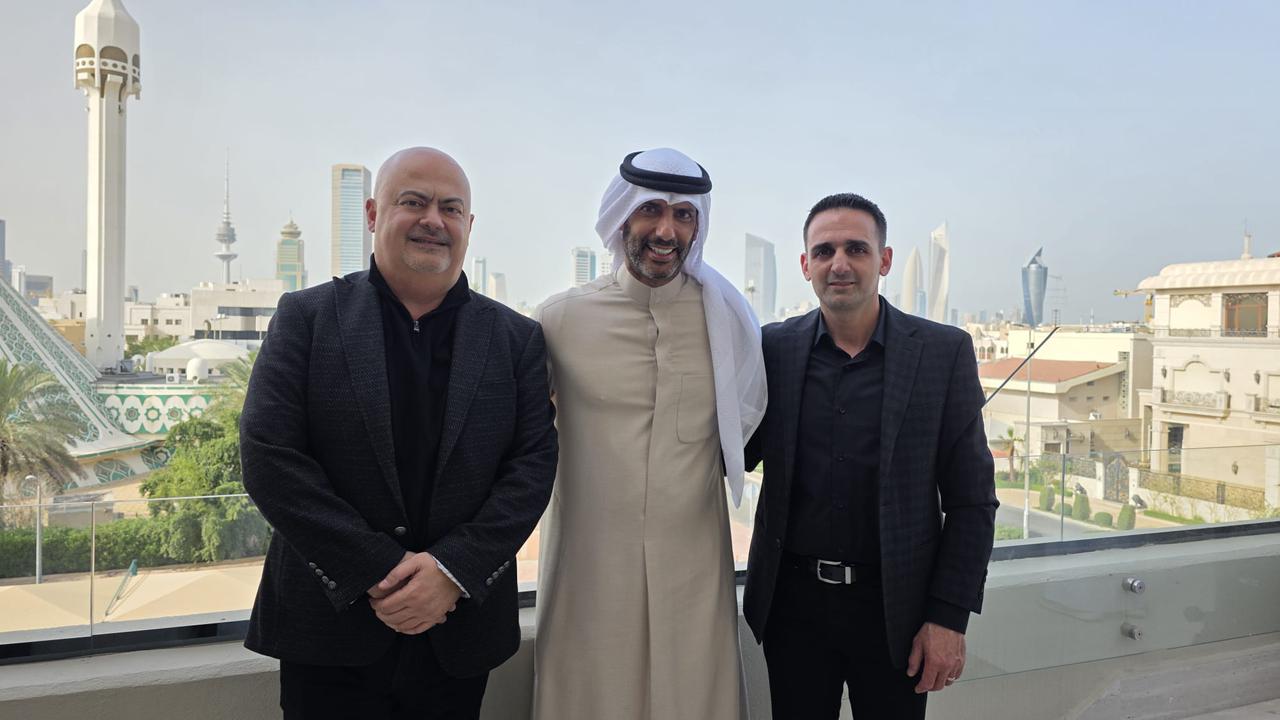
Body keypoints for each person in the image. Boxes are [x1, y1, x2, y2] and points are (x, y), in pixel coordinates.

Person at [240, 147, 558, 720]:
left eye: (450, 208)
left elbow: (531, 469)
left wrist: (451, 573)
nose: (433, 220)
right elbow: (270, 457)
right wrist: (377, 571)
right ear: (372, 213)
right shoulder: (306, 318)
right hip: (328, 633)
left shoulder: (517, 339)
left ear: (468, 224)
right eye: (413, 202)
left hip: (457, 632)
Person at [532, 148, 766, 720]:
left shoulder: (727, 318)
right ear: (621, 217)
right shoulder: (558, 320)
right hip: (589, 569)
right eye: (651, 210)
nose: (666, 231)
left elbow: (749, 424)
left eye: (684, 215)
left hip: (694, 567)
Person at [743, 193, 997, 719]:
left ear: (884, 260)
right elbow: (731, 449)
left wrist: (948, 617)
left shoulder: (942, 353)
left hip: (897, 613)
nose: (839, 264)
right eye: (824, 251)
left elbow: (972, 501)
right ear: (805, 265)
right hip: (793, 609)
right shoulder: (772, 350)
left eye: (856, 249)